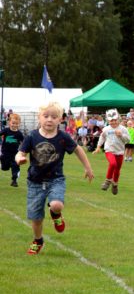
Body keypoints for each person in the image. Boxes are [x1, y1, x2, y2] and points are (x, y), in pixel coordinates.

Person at [15, 102, 94, 255]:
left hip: (56, 179)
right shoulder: (32, 136)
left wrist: (88, 167)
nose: (49, 120)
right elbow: (20, 153)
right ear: (39, 118)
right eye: (46, 116)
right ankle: (38, 240)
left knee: (56, 205)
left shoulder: (63, 137)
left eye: (54, 117)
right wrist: (19, 159)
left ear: (60, 120)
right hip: (35, 182)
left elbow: (78, 150)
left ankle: (56, 214)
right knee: (36, 217)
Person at [93, 109, 129, 195]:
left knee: (117, 169)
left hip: (120, 151)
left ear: (118, 119)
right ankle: (108, 180)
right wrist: (98, 147)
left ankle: (115, 184)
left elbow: (127, 140)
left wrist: (121, 135)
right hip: (109, 150)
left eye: (115, 120)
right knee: (113, 164)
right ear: (108, 121)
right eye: (111, 121)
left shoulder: (123, 129)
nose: (113, 122)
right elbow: (102, 137)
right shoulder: (106, 129)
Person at [0, 113, 25, 187]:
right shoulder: (6, 130)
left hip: (15, 154)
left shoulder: (19, 134)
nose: (14, 125)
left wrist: (24, 151)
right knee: (5, 168)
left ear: (19, 124)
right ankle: (2, 165)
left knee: (15, 166)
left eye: (16, 123)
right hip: (5, 153)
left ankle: (14, 180)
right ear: (9, 122)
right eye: (13, 123)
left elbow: (24, 142)